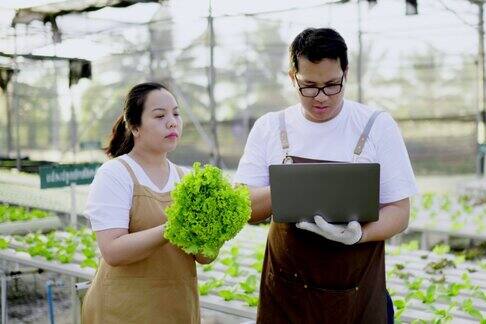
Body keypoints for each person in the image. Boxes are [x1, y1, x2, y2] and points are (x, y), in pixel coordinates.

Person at [234, 28, 418, 323]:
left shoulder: (375, 126)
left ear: (346, 72)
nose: (321, 98)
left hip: (356, 292)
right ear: (292, 76)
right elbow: (245, 206)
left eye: (332, 85)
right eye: (309, 86)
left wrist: (360, 235)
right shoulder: (270, 127)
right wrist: (294, 187)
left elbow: (400, 211)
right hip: (286, 293)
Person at [82, 82, 212, 323]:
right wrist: (172, 227)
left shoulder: (187, 178)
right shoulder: (116, 173)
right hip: (123, 311)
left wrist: (214, 230)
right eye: (160, 116)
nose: (172, 122)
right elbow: (113, 250)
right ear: (134, 127)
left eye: (176, 114)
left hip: (177, 309)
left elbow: (204, 257)